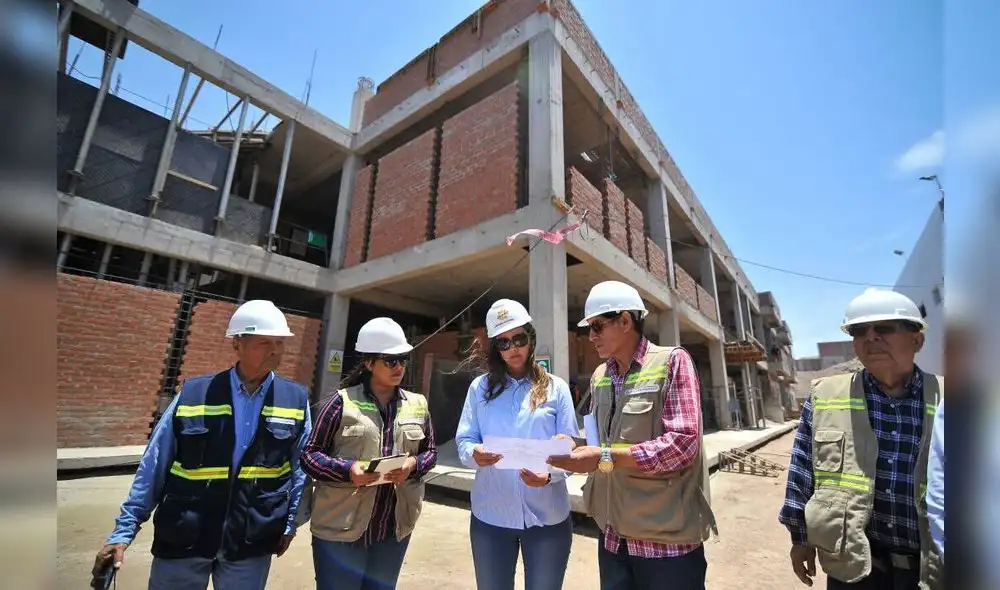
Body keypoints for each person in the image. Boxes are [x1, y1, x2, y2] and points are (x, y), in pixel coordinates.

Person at [91, 300, 312, 590]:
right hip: (184, 536)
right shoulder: (194, 394)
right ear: (237, 344)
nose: (275, 351)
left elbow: (300, 469)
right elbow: (154, 465)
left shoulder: (294, 400)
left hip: (250, 540)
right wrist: (123, 532)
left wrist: (290, 522)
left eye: (280, 343)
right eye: (263, 343)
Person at [547, 280, 717, 590]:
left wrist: (604, 456)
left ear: (625, 321)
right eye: (589, 329)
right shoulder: (600, 376)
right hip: (613, 539)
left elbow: (683, 444)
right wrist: (576, 444)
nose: (591, 336)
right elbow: (603, 444)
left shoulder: (672, 362)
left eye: (597, 326)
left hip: (666, 545)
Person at [778, 287, 944, 590]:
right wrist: (799, 538)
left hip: (934, 568)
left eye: (883, 328)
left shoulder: (953, 397)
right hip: (854, 568)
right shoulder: (825, 397)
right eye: (859, 331)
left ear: (917, 339)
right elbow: (801, 472)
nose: (870, 337)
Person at [300, 317, 437, 590]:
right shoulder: (340, 403)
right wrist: (347, 471)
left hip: (393, 529)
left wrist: (412, 464)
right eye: (390, 360)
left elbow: (430, 453)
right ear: (369, 363)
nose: (399, 367)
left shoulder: (418, 404)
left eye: (402, 359)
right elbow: (310, 456)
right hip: (341, 529)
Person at [454, 299, 579, 590]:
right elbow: (464, 440)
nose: (513, 348)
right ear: (495, 347)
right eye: (504, 342)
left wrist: (550, 475)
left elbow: (570, 448)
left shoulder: (556, 388)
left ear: (531, 338)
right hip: (492, 516)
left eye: (519, 339)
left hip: (547, 517)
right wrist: (475, 453)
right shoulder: (479, 389)